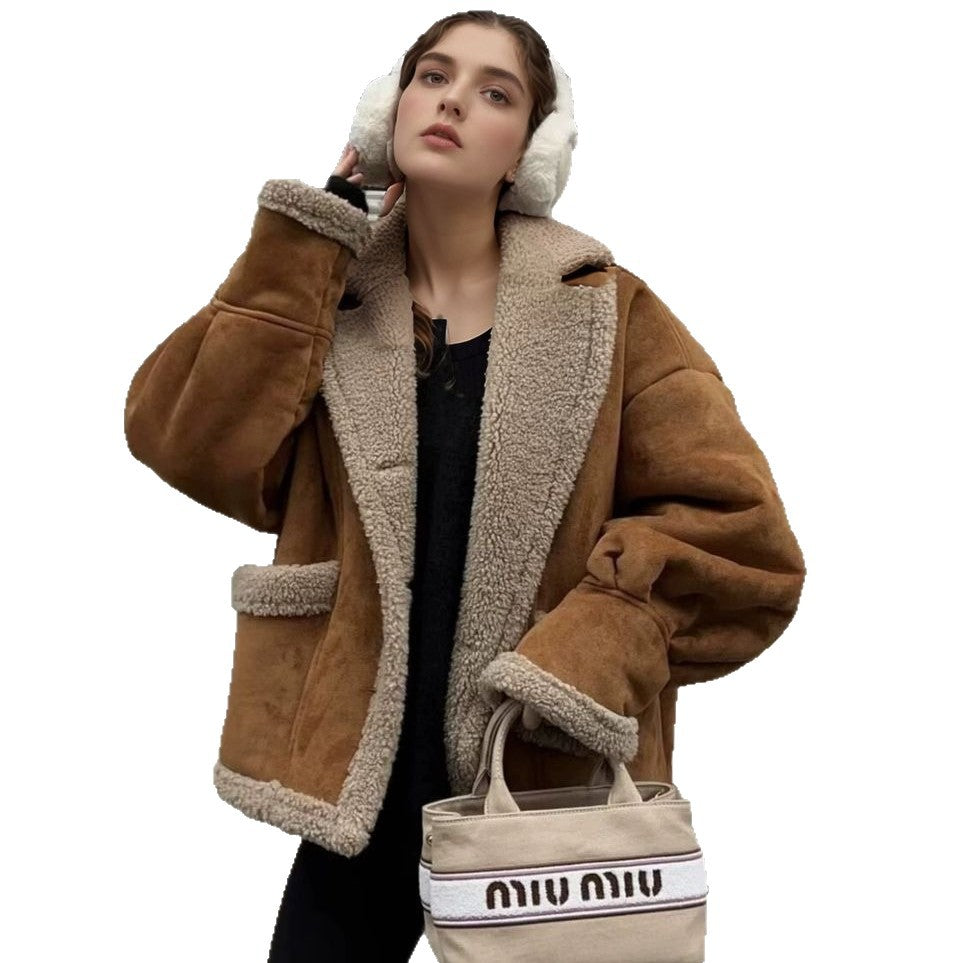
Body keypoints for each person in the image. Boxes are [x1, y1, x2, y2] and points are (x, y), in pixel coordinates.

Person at [124, 10, 806, 962]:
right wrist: (308, 241)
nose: (451, 101)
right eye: (432, 76)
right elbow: (187, 439)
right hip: (357, 774)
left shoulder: (608, 310)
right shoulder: (327, 293)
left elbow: (740, 534)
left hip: (541, 776)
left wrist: (586, 652)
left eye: (495, 92)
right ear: (387, 109)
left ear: (528, 150)